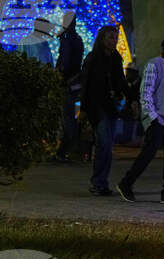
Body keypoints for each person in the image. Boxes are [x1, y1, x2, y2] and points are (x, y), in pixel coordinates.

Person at [117, 36, 164, 204]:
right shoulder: (154, 64)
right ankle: (126, 183)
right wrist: (152, 117)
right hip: (158, 120)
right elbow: (146, 92)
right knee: (148, 154)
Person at [80, 26, 128, 196]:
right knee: (104, 144)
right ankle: (97, 182)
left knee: (107, 147)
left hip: (111, 106)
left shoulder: (115, 58)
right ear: (102, 39)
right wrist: (84, 109)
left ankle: (102, 182)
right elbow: (86, 85)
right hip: (96, 107)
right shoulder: (93, 58)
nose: (113, 41)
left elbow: (120, 81)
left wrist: (131, 98)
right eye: (110, 38)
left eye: (115, 38)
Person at [53, 22, 84, 162]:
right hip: (75, 82)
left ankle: (64, 150)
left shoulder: (67, 40)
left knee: (67, 117)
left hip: (66, 83)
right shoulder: (78, 39)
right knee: (72, 116)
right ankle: (71, 149)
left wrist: (59, 75)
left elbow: (64, 63)